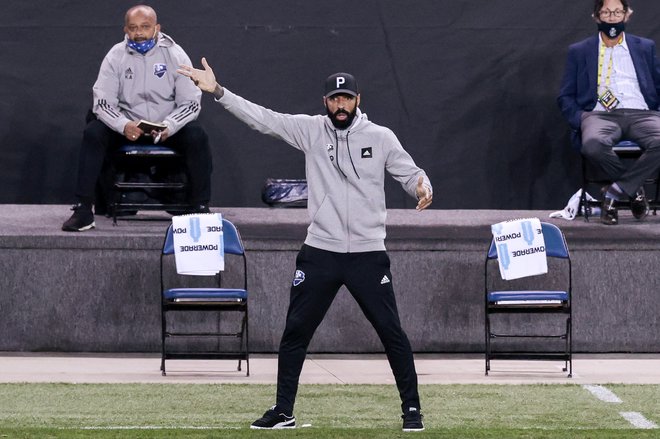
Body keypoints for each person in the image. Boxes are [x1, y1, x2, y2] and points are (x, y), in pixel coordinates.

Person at [178, 59, 432, 432]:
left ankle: (412, 410)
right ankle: (284, 411)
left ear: (358, 99)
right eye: (334, 99)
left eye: (347, 98)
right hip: (321, 251)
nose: (340, 105)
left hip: (367, 253)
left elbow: (410, 173)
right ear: (325, 102)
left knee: (391, 332)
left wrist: (423, 187)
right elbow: (262, 118)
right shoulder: (311, 131)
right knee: (295, 332)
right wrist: (218, 92)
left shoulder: (380, 137)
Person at [62, 5, 212, 232]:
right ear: (126, 29)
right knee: (93, 131)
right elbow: (102, 103)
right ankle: (83, 210)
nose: (139, 33)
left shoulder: (175, 54)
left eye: (145, 27)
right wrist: (123, 125)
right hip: (127, 128)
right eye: (133, 28)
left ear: (157, 28)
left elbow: (190, 102)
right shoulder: (115, 56)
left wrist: (169, 126)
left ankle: (200, 207)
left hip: (164, 130)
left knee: (196, 135)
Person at [557, 0, 660, 225]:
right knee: (592, 144)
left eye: (617, 12)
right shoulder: (580, 50)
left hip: (641, 113)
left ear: (626, 15)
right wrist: (581, 119)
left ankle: (614, 193)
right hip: (599, 115)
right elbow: (565, 95)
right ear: (597, 16)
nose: (612, 17)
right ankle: (635, 191)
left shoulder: (645, 47)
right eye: (606, 12)